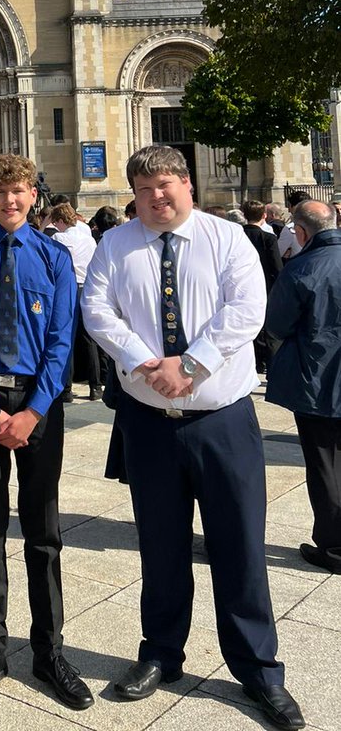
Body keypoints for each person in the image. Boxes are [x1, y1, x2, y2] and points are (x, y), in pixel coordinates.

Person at [82, 145, 304, 730]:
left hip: (221, 421)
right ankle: (161, 653)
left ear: (187, 183)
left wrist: (193, 364)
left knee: (240, 546)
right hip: (149, 424)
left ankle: (258, 669)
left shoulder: (225, 239)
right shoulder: (115, 244)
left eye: (166, 184)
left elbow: (246, 309)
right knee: (160, 546)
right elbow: (98, 311)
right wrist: (145, 361)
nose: (157, 196)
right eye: (144, 187)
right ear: (132, 193)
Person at [0, 155, 90, 713]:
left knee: (43, 529)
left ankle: (49, 650)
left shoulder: (53, 257)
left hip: (37, 403)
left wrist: (31, 412)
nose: (11, 200)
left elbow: (61, 339)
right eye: (1, 191)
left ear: (34, 196)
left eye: (20, 191)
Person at [264, 200, 341, 575]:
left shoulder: (301, 268)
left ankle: (334, 543)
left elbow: (276, 324)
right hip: (323, 375)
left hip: (319, 379)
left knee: (325, 463)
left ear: (301, 231)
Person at [49, 203, 102, 401]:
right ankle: (95, 386)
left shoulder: (59, 238)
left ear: (61, 221)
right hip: (87, 287)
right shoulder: (88, 239)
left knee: (67, 337)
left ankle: (66, 388)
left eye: (56, 223)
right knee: (89, 340)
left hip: (68, 289)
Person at [242, 199, 284, 374]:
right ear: (264, 216)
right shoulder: (268, 238)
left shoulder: (238, 236)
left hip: (242, 285)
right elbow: (277, 266)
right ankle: (268, 361)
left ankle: (255, 360)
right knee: (266, 325)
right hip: (266, 285)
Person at [278, 191, 312, 262]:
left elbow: (279, 252)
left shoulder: (290, 229)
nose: (289, 210)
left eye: (289, 206)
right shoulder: (320, 224)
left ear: (293, 207)